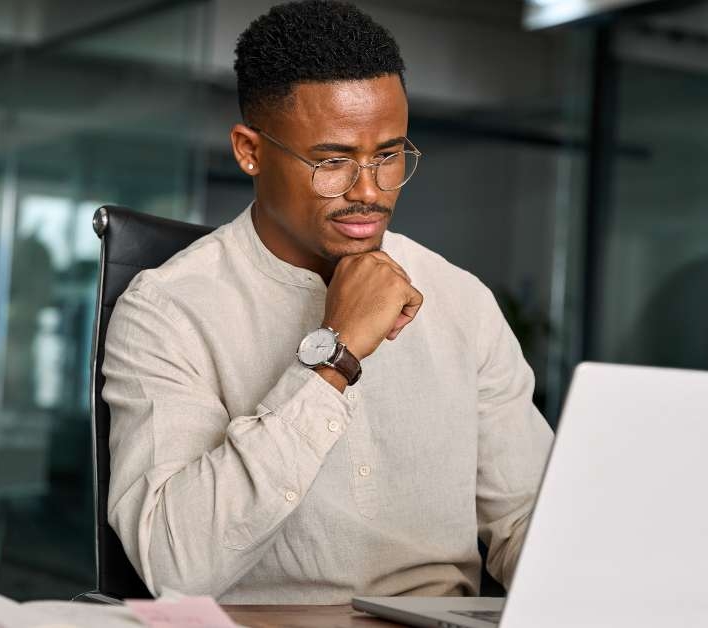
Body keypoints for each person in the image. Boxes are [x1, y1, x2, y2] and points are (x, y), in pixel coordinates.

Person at [102, 0, 553, 603]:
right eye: (333, 161)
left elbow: (526, 520)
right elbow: (175, 563)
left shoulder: (460, 299)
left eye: (389, 156)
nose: (369, 191)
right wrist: (332, 359)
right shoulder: (167, 311)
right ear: (250, 150)